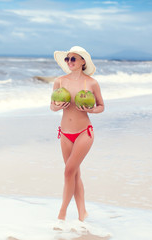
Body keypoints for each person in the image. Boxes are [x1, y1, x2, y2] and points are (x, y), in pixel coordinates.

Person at [50, 46, 104, 222]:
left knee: (68, 172)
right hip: (64, 133)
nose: (69, 62)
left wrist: (92, 110)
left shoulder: (92, 83)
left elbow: (101, 106)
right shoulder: (59, 81)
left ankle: (62, 213)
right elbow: (52, 106)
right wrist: (58, 106)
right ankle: (82, 213)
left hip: (84, 132)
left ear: (83, 61)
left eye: (73, 59)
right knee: (75, 174)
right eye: (67, 59)